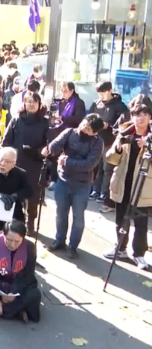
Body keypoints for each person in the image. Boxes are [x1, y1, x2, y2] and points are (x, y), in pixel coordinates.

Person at [43, 114, 105, 258]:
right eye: (84, 123)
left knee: (78, 218)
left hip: (82, 185)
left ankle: (73, 246)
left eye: (88, 128)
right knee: (61, 214)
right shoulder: (70, 132)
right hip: (63, 181)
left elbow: (89, 165)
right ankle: (59, 240)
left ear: (95, 132)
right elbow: (57, 144)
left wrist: (67, 161)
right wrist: (50, 149)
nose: (84, 128)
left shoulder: (98, 143)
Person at [103, 104, 151, 269]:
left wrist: (147, 146)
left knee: (141, 224)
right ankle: (121, 249)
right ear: (132, 116)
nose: (141, 117)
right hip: (123, 183)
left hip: (143, 186)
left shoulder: (150, 137)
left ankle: (139, 254)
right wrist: (116, 149)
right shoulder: (124, 132)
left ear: (150, 117)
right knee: (120, 220)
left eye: (145, 114)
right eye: (137, 114)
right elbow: (110, 159)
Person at [1, 92, 49, 232]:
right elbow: (6, 141)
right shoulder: (17, 119)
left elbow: (48, 144)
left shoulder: (44, 122)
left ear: (39, 104)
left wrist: (37, 151)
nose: (31, 104)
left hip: (35, 164)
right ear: (24, 103)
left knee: (33, 196)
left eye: (34, 102)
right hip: (16, 163)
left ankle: (31, 221)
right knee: (16, 194)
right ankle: (15, 222)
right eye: (28, 101)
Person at [88, 81, 129, 211]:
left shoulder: (119, 106)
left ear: (110, 90)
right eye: (99, 93)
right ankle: (95, 190)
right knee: (96, 167)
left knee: (107, 168)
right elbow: (89, 117)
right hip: (95, 139)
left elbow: (123, 124)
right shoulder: (96, 103)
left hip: (110, 141)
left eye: (103, 92)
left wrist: (109, 126)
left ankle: (104, 193)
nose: (101, 95)